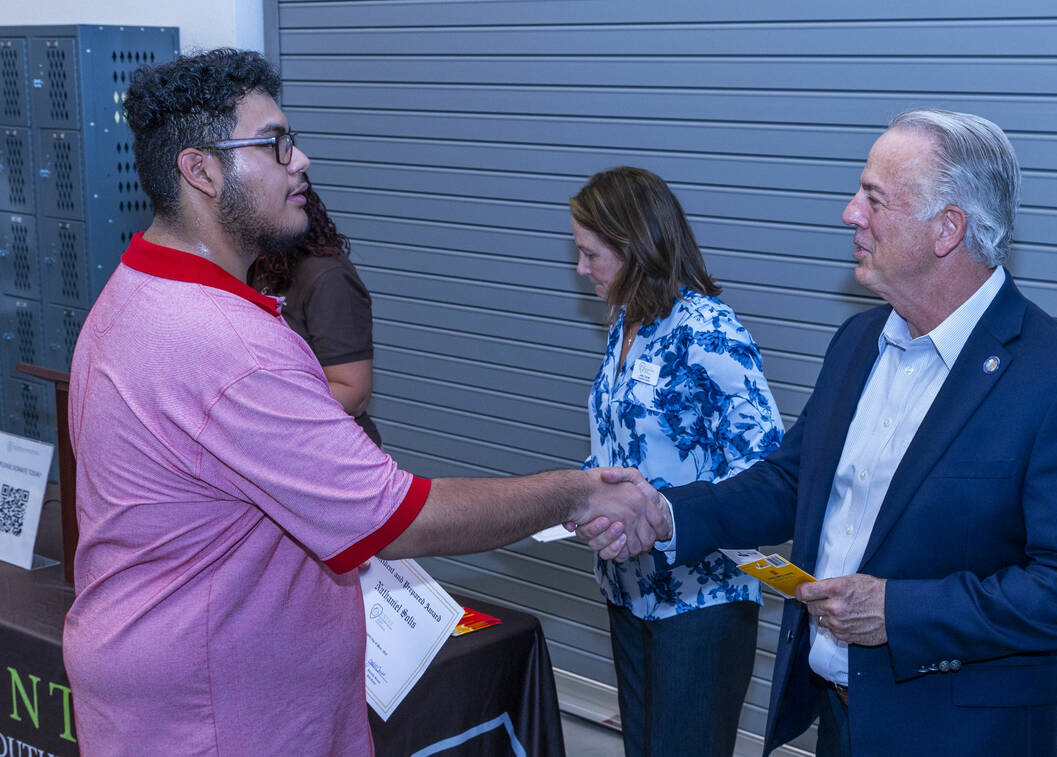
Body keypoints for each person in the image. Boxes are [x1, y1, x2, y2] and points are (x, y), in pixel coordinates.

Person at [63, 48, 666, 756]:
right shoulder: (226, 343)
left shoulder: (136, 290)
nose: (302, 159)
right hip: (221, 721)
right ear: (200, 170)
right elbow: (399, 517)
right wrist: (575, 492)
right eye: (275, 143)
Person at [583, 109, 1057, 756]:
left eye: (873, 197)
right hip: (843, 719)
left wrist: (899, 612)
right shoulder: (858, 342)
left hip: (965, 736)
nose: (850, 213)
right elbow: (791, 480)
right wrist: (666, 512)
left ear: (947, 228)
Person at [571, 167, 784, 757]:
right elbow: (625, 446)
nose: (581, 269)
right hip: (628, 590)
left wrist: (661, 510)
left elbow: (765, 470)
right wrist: (583, 497)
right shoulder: (625, 325)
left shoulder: (709, 330)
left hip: (700, 600)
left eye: (590, 254)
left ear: (634, 246)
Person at [249, 180, 383, 446]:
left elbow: (353, 394)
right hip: (277, 442)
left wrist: (261, 404)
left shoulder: (328, 277)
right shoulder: (251, 264)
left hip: (331, 451)